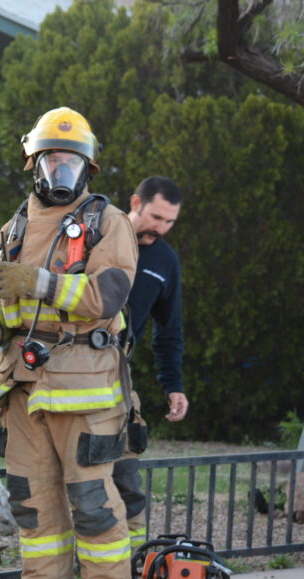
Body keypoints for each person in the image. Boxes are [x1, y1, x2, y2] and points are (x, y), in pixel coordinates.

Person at [0, 107, 138, 579]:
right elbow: (2, 300)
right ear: (35, 165)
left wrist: (42, 283)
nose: (61, 170)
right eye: (52, 161)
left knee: (90, 496)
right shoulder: (13, 228)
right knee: (30, 496)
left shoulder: (108, 222)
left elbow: (108, 296)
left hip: (84, 385)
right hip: (23, 385)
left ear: (88, 168)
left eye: (71, 162)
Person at [113, 176, 187, 548]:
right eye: (156, 217)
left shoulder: (165, 261)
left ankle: (133, 563)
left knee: (126, 475)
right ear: (135, 203)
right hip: (65, 364)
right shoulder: (100, 237)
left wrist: (173, 385)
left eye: (170, 222)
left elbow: (169, 330)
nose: (161, 228)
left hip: (116, 375)